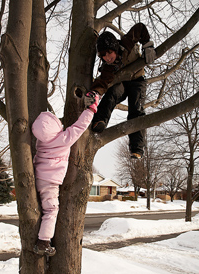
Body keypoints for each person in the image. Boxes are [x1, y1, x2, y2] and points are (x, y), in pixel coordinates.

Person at [32, 92, 99, 256]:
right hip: (50, 181)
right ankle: (43, 242)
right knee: (51, 210)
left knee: (43, 208)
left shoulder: (40, 141)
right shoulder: (62, 139)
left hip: (38, 177)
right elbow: (79, 126)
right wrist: (91, 109)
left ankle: (43, 237)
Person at [90, 23, 156, 159]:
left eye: (109, 53)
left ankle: (137, 147)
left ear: (115, 47)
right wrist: (95, 93)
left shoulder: (127, 43)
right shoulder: (108, 67)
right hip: (122, 84)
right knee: (111, 94)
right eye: (103, 56)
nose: (108, 58)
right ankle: (99, 121)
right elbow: (102, 83)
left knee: (136, 109)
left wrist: (147, 45)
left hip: (137, 80)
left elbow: (140, 28)